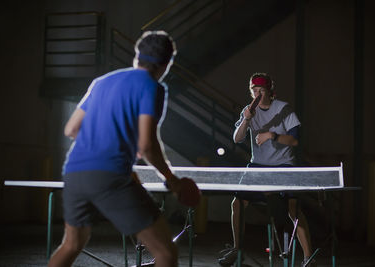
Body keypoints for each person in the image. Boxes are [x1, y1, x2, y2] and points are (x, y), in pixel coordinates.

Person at [48, 31, 196, 267]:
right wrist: (172, 180)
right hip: (109, 176)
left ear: (137, 57)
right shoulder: (152, 87)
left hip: (74, 173)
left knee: (72, 244)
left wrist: (113, 151)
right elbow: (146, 145)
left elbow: (71, 129)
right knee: (165, 253)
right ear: (167, 64)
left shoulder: (102, 82)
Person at [218, 73, 316, 267]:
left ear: (270, 92)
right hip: (258, 166)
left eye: (261, 90)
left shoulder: (284, 109)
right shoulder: (249, 111)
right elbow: (237, 139)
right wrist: (246, 120)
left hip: (284, 165)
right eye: (254, 90)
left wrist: (272, 135)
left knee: (293, 209)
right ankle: (237, 249)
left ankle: (308, 257)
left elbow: (294, 140)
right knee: (237, 204)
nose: (258, 94)